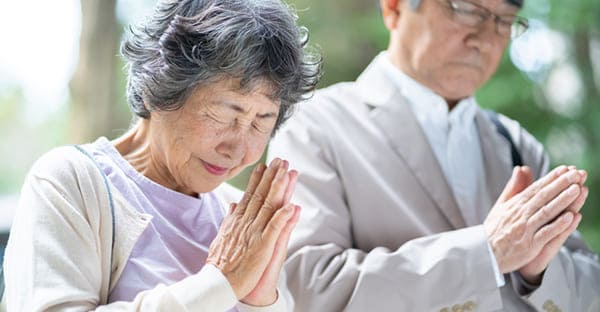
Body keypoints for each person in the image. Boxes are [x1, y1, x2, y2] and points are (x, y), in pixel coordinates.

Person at [268, 0, 600, 311]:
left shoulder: (514, 144)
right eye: (466, 10)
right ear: (395, 8)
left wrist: (538, 273)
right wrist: (487, 253)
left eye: (505, 21)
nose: (484, 40)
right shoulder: (316, 126)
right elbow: (308, 287)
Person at [3, 0, 320, 310]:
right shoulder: (70, 183)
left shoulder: (238, 217)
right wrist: (221, 281)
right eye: (224, 114)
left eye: (260, 122)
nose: (238, 150)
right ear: (161, 88)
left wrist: (259, 302)